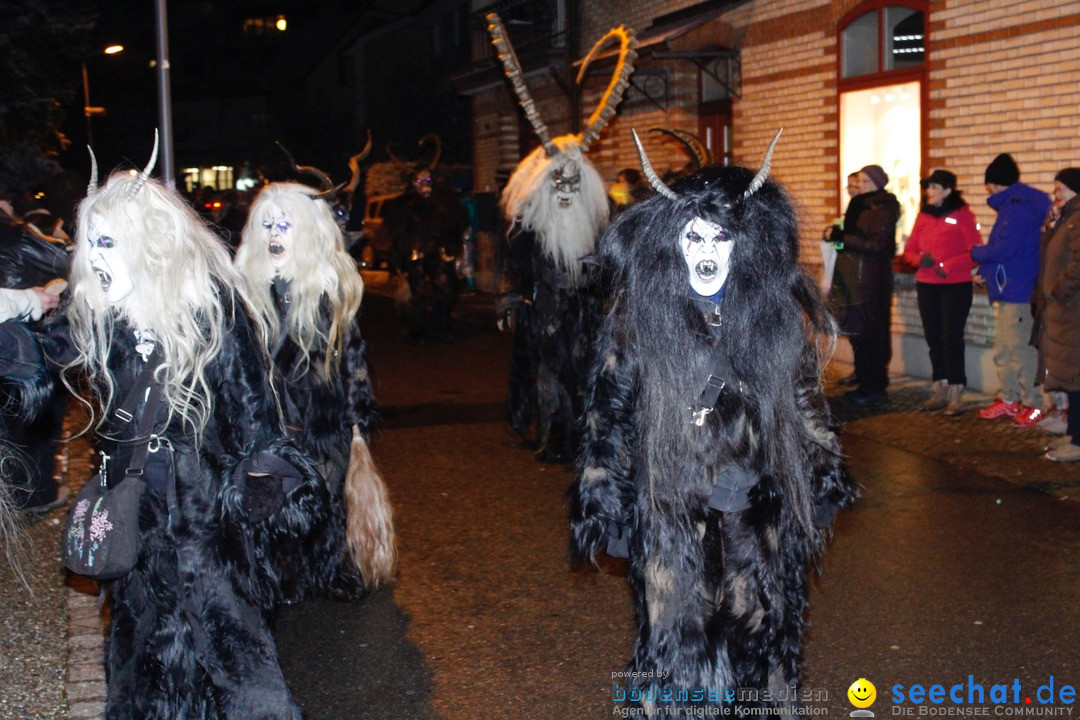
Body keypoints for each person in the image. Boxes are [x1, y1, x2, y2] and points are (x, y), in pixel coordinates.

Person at [571, 131, 856, 714]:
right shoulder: (638, 321)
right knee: (678, 655)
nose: (705, 251)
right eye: (693, 237)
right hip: (672, 513)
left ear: (742, 246)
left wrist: (821, 484)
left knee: (761, 650)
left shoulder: (772, 318)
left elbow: (806, 408)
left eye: (719, 237)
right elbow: (609, 419)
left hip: (757, 514)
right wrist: (610, 508)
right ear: (673, 245)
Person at [61, 138, 323, 718]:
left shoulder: (215, 315)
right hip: (137, 523)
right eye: (90, 244)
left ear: (149, 248)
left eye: (108, 244)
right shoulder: (103, 320)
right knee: (139, 658)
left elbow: (257, 425)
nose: (94, 258)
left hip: (206, 530)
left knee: (237, 664)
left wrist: (259, 503)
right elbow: (38, 358)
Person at [235, 181, 396, 599]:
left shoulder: (328, 293)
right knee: (276, 493)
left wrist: (358, 422)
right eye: (267, 225)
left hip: (322, 419)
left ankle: (332, 570)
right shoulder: (248, 296)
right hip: (271, 419)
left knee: (328, 491)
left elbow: (353, 359)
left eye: (284, 225)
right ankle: (280, 572)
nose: (274, 235)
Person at [971, 154, 1050, 425]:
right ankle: (1010, 398)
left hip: (1018, 291)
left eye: (989, 184)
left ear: (995, 183)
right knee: (1005, 348)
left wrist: (976, 253)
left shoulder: (1017, 208)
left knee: (1019, 350)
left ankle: (1033, 402)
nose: (988, 190)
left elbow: (1007, 248)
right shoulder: (1017, 205)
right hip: (1011, 288)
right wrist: (987, 272)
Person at [903, 169, 981, 415]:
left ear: (948, 191)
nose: (929, 192)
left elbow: (974, 250)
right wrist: (919, 260)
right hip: (927, 284)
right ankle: (940, 387)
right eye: (928, 187)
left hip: (954, 285)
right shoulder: (923, 216)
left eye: (934, 187)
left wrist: (948, 266)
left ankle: (956, 391)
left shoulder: (962, 215)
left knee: (951, 338)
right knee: (934, 337)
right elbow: (909, 250)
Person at [828, 164, 900, 405]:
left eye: (863, 182)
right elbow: (849, 241)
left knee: (872, 333)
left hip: (870, 280)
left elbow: (880, 246)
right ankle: (864, 381)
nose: (857, 187)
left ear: (875, 183)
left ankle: (874, 387)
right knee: (858, 330)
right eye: (856, 182)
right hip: (852, 278)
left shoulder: (882, 207)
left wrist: (844, 238)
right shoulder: (859, 205)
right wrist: (836, 237)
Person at [1037, 168, 1080, 461]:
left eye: (1061, 187)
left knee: (1076, 377)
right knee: (1070, 377)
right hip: (1063, 311)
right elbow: (1049, 255)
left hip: (1072, 309)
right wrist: (1051, 226)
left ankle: (1078, 443)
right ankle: (1073, 436)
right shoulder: (1066, 219)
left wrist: (1057, 290)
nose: (1056, 192)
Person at [828, 171, 868, 387]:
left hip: (858, 274)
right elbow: (839, 245)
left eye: (856, 184)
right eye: (849, 185)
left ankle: (863, 371)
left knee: (859, 322)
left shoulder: (864, 209)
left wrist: (841, 237)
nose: (852, 188)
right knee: (850, 321)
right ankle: (857, 369)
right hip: (845, 271)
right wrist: (835, 236)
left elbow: (860, 241)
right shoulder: (848, 211)